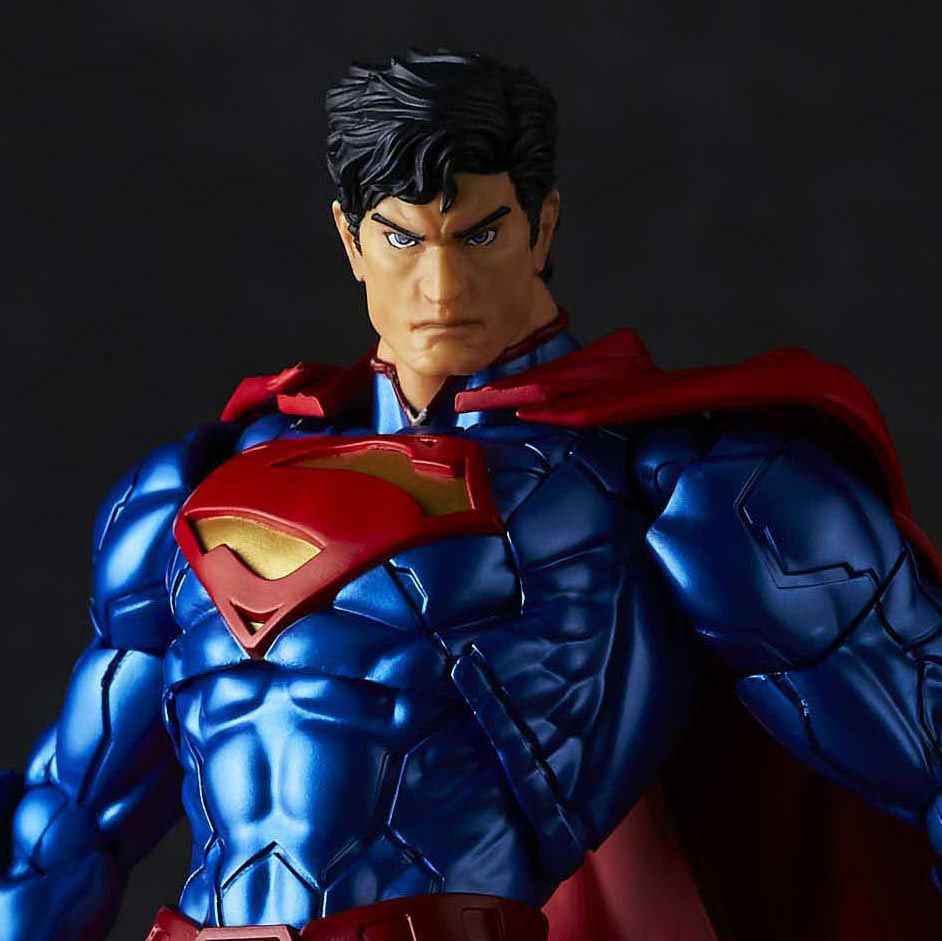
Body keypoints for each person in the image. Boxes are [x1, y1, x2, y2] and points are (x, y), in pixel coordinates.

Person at [2, 48, 941, 941]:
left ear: (542, 227)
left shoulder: (681, 488)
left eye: (479, 233)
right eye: (402, 237)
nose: (442, 285)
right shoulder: (194, 489)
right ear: (350, 238)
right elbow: (67, 821)